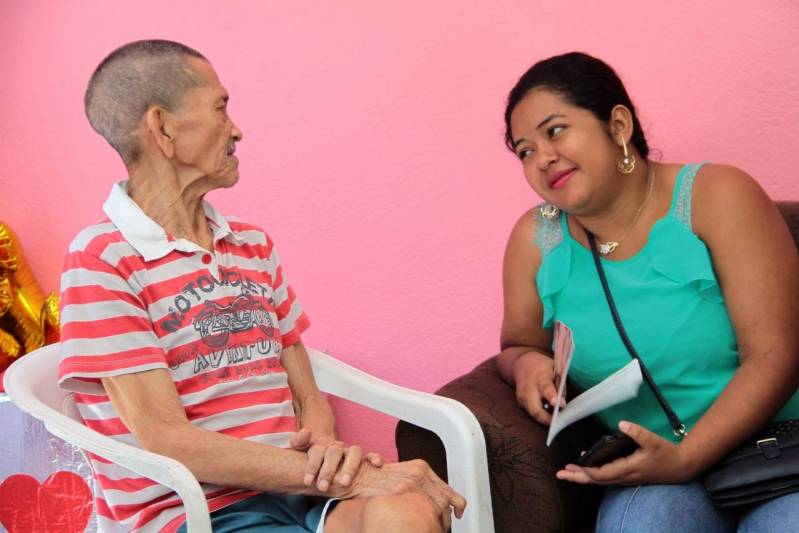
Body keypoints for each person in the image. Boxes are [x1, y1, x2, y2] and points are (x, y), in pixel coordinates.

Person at [57, 40, 465, 533]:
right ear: (162, 127)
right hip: (195, 514)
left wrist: (328, 461)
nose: (237, 130)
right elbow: (168, 439)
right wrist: (343, 480)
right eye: (220, 108)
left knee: (408, 511)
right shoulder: (102, 258)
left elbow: (308, 395)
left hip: (294, 491)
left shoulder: (250, 243)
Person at [495, 52, 799, 532]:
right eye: (524, 150)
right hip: (653, 466)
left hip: (778, 448)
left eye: (555, 131)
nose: (542, 158)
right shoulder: (534, 241)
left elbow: (775, 355)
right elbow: (517, 344)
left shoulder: (717, 195)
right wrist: (527, 364)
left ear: (617, 124)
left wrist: (688, 456)